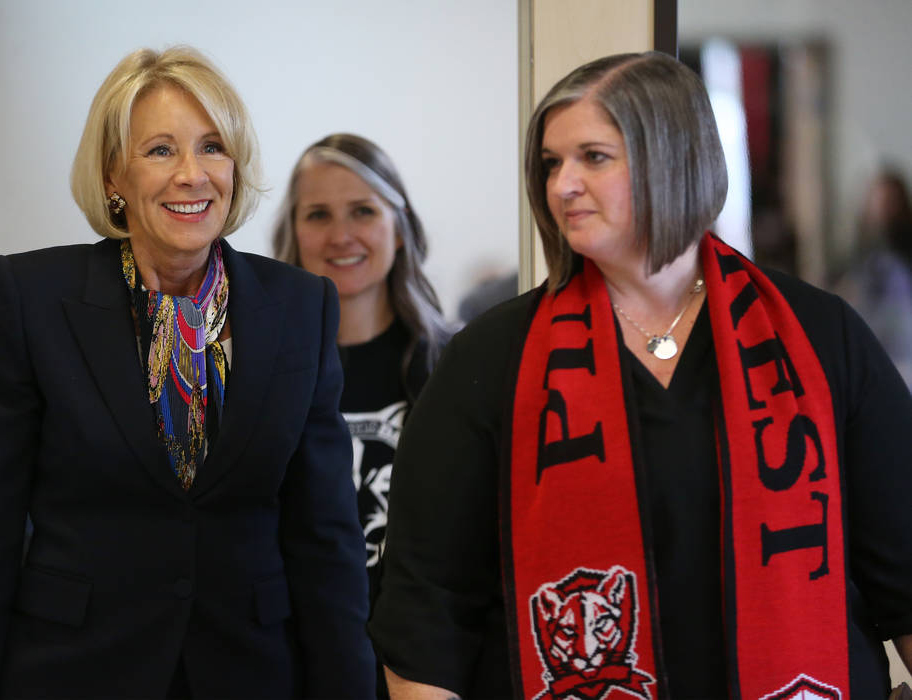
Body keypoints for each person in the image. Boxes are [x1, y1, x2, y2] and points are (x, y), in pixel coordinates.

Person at [369, 52, 912, 699]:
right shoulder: (490, 359)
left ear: (675, 159)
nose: (562, 185)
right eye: (550, 164)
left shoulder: (822, 337)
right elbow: (426, 607)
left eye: (593, 157)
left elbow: (903, 572)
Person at [0, 46, 375, 699]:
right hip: (73, 672)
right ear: (114, 176)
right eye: (161, 150)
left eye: (213, 147)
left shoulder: (301, 308)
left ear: (236, 167)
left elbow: (326, 542)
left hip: (251, 674)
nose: (192, 175)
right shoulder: (31, 298)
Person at [271, 133, 451, 695]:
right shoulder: (259, 374)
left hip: (424, 670)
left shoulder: (455, 368)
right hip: (294, 665)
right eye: (318, 214)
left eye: (363, 212)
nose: (341, 235)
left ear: (400, 229)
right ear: (293, 235)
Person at [834, 168, 912, 388]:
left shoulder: (904, 255)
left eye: (890, 201)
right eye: (879, 200)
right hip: (871, 353)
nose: (883, 208)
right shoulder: (859, 254)